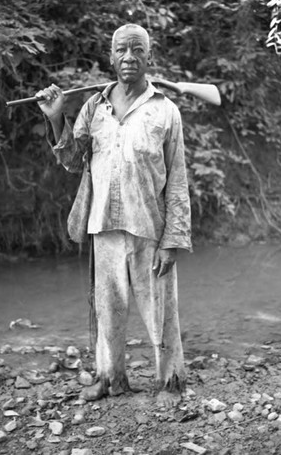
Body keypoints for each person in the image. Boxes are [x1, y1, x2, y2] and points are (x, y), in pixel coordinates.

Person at [36, 23, 192, 408]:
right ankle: (111, 378)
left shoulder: (166, 111)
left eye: (137, 50)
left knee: (161, 314)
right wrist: (57, 118)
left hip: (150, 229)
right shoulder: (94, 108)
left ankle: (170, 382)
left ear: (149, 57)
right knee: (108, 313)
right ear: (110, 57)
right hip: (103, 225)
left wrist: (172, 241)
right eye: (121, 50)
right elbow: (73, 161)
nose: (129, 57)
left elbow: (177, 181)